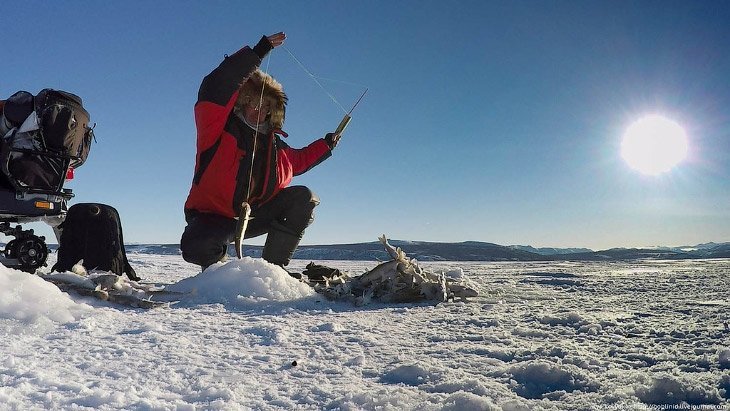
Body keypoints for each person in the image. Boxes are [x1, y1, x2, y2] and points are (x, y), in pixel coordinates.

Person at [180, 32, 340, 272]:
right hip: (213, 216)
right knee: (196, 245)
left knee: (304, 197)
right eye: (253, 102)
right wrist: (257, 52)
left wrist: (326, 145)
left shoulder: (277, 147)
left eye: (266, 105)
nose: (259, 109)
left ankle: (272, 273)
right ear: (242, 102)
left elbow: (300, 160)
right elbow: (216, 87)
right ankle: (218, 276)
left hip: (254, 216)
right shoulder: (216, 130)